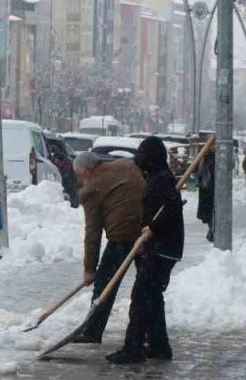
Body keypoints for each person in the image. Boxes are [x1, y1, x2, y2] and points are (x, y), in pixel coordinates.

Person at [108, 137, 185, 364]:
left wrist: (152, 227)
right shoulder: (158, 177)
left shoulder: (161, 180)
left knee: (141, 297)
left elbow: (169, 208)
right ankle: (159, 346)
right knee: (152, 297)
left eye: (142, 157)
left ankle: (133, 348)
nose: (138, 162)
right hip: (163, 247)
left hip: (161, 249)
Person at [72, 151, 145, 343]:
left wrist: (89, 270)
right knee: (146, 286)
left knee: (104, 284)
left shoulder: (90, 189)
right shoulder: (125, 165)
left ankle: (92, 332)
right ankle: (151, 334)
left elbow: (93, 234)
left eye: (79, 175)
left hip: (122, 237)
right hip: (147, 232)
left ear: (89, 169)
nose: (79, 180)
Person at [195, 143, 215, 241]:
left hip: (212, 190)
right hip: (205, 190)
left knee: (211, 212)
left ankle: (212, 231)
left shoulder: (214, 158)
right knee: (208, 213)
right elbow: (197, 171)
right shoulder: (202, 159)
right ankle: (211, 230)